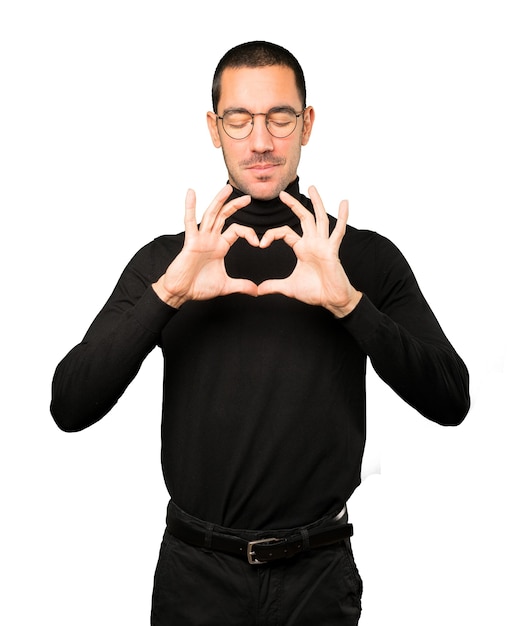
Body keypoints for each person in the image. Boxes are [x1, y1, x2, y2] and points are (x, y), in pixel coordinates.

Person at [51, 41, 470, 625]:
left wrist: (350, 305)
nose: (261, 141)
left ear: (307, 124)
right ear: (213, 128)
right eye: (239, 120)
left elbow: (452, 399)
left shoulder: (364, 260)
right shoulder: (170, 262)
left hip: (318, 579)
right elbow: (69, 404)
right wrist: (168, 296)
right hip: (196, 576)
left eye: (279, 117)